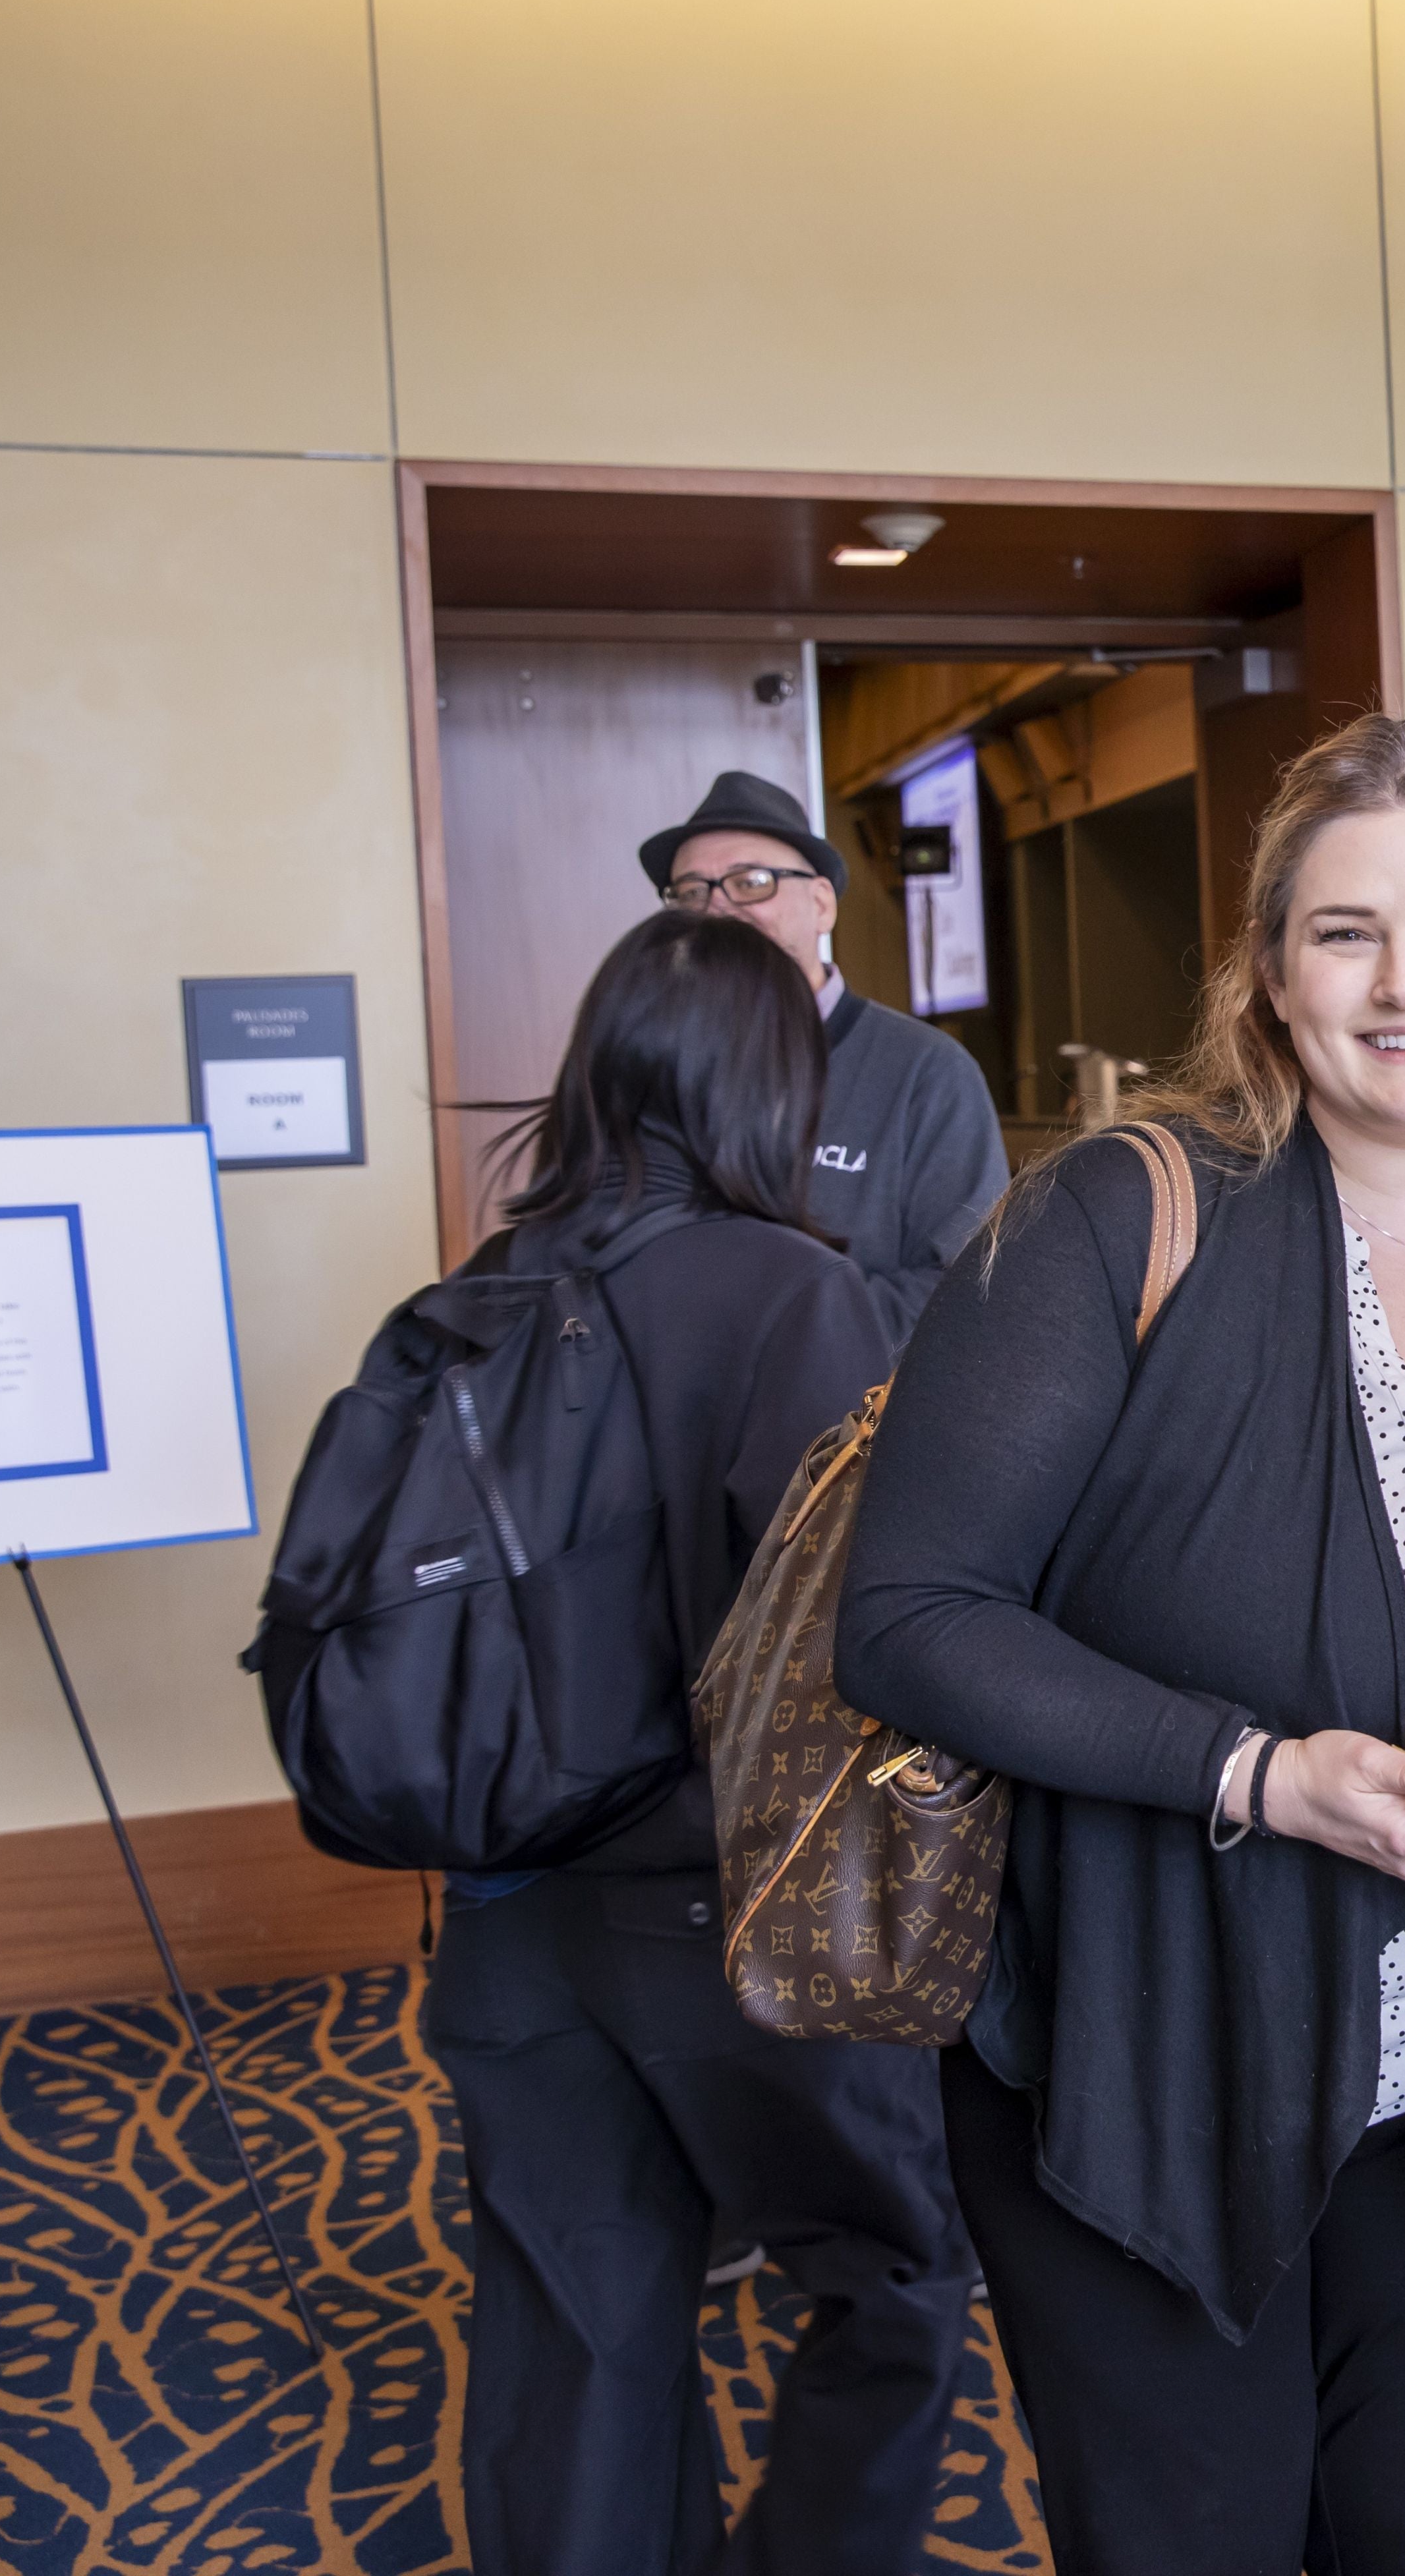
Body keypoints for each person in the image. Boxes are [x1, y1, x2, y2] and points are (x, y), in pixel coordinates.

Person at [834, 714, 1405, 2576]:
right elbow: (908, 1619)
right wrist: (1260, 1775)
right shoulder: (1118, 1219)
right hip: (1158, 2054)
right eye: (1345, 933)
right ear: (1272, 976)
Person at [426, 911, 977, 2576]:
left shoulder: (476, 1292)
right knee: (894, 2276)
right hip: (733, 1916)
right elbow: (864, 1623)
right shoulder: (791, 1293)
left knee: (574, 2328)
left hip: (508, 1909)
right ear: (772, 1087)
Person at [638, 769, 1008, 1334]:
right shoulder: (648, 1069)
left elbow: (965, 1293)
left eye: (751, 882)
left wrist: (759, 1335)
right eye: (691, 892)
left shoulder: (925, 1072)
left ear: (821, 905)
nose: (715, 910)